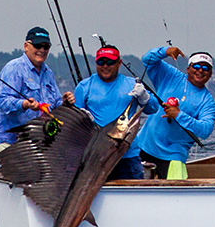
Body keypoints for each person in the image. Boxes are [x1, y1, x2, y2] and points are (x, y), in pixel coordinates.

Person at [61, 45, 157, 180]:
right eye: (101, 62)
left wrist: (144, 97)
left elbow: (153, 109)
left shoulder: (132, 84)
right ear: (96, 63)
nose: (105, 66)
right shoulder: (84, 86)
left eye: (110, 62)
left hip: (127, 156)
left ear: (119, 63)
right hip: (96, 156)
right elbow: (74, 125)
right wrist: (77, 114)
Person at [135, 45, 215, 179]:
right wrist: (165, 51)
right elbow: (147, 59)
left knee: (175, 195)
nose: (200, 70)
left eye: (205, 68)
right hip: (143, 146)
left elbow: (206, 130)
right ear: (188, 68)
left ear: (210, 74)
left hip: (174, 156)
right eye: (196, 66)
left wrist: (178, 115)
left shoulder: (207, 101)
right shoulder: (171, 76)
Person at [0, 27, 63, 155]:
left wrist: (66, 101)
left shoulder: (48, 73)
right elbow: (3, 102)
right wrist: (25, 104)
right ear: (26, 46)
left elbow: (57, 102)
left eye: (45, 46)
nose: (42, 50)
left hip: (38, 145)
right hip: (10, 143)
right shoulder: (14, 68)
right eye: (37, 45)